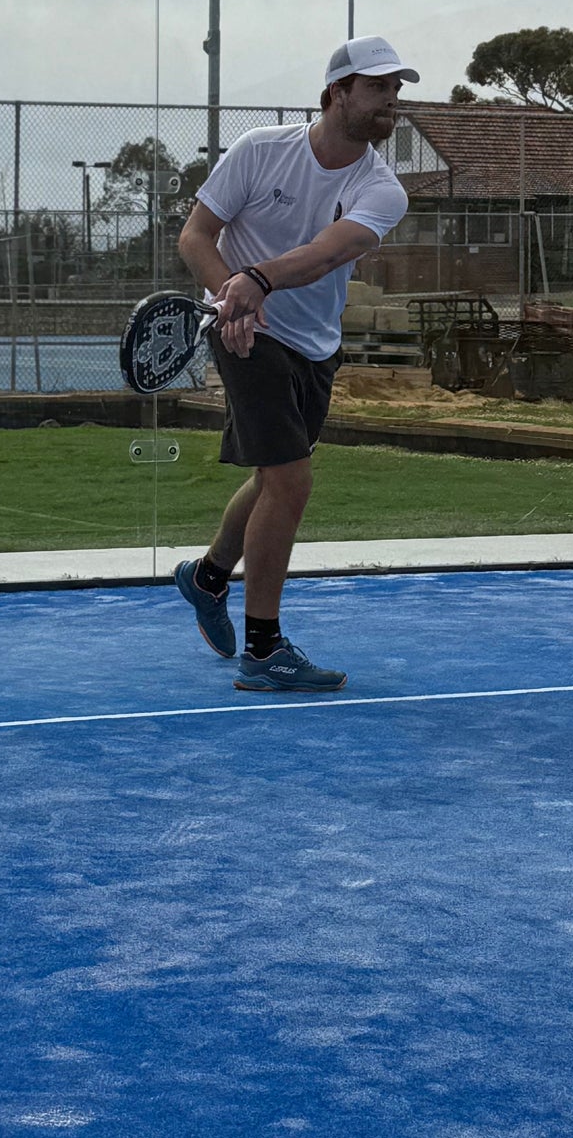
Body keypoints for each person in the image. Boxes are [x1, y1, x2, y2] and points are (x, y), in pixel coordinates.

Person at [173, 36, 416, 693]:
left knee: (273, 479)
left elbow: (329, 252)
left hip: (313, 343)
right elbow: (196, 235)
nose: (391, 101)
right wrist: (233, 299)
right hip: (245, 335)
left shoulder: (382, 188)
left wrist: (256, 282)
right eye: (377, 87)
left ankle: (208, 578)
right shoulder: (259, 150)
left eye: (396, 89)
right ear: (336, 93)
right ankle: (263, 649)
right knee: (291, 481)